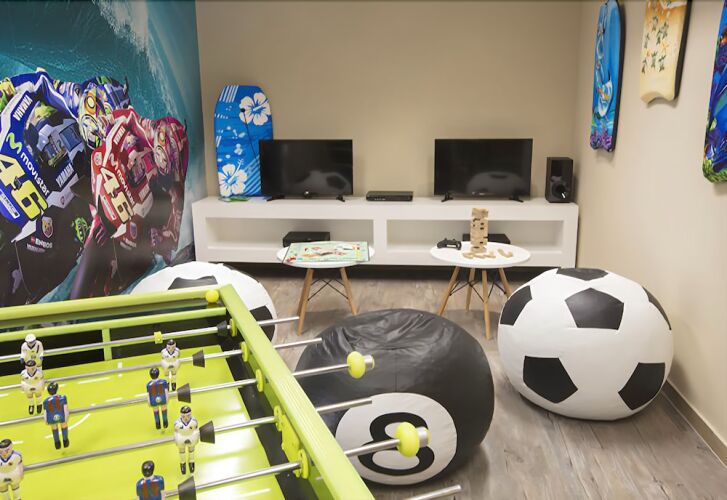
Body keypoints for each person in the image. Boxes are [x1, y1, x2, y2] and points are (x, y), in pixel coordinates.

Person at [42, 382, 69, 450]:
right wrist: (66, 417)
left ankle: (57, 443)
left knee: (54, 427)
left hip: (51, 417)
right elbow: (65, 409)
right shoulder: (63, 397)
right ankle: (65, 440)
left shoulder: (45, 401)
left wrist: (46, 420)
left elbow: (45, 412)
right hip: (61, 415)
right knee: (64, 425)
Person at [173, 406, 199, 475]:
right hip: (181, 438)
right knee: (182, 451)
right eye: (183, 416)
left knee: (191, 450)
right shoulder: (177, 423)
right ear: (181, 415)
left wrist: (196, 438)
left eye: (188, 415)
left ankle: (191, 461)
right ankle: (182, 463)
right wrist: (177, 439)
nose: (186, 418)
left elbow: (196, 430)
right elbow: (175, 432)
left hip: (191, 437)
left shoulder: (194, 421)